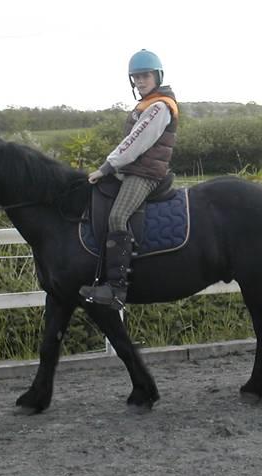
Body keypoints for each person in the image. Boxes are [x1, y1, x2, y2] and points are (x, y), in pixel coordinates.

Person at [79, 49, 179, 310]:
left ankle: (116, 289)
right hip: (135, 170)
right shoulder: (146, 105)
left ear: (157, 76)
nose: (140, 81)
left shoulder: (159, 106)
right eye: (135, 77)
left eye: (145, 76)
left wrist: (106, 167)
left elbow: (135, 143)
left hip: (146, 175)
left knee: (117, 216)